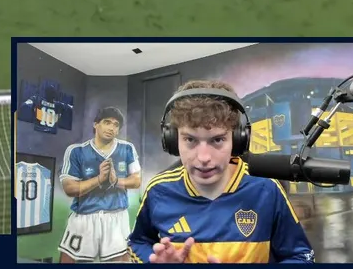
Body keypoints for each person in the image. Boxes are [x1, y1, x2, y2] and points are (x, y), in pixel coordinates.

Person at [127, 80, 314, 264]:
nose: (204, 157)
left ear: (238, 140)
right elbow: (138, 242)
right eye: (190, 140)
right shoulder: (158, 190)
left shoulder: (267, 189)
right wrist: (153, 262)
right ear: (173, 140)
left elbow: (301, 256)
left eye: (217, 140)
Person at [59, 107, 143, 263]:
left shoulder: (127, 149)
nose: (111, 128)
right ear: (95, 124)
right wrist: (99, 179)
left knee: (122, 260)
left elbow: (136, 180)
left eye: (116, 125)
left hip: (116, 215)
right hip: (84, 216)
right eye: (107, 122)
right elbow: (69, 188)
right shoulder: (76, 151)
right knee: (69, 259)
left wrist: (116, 181)